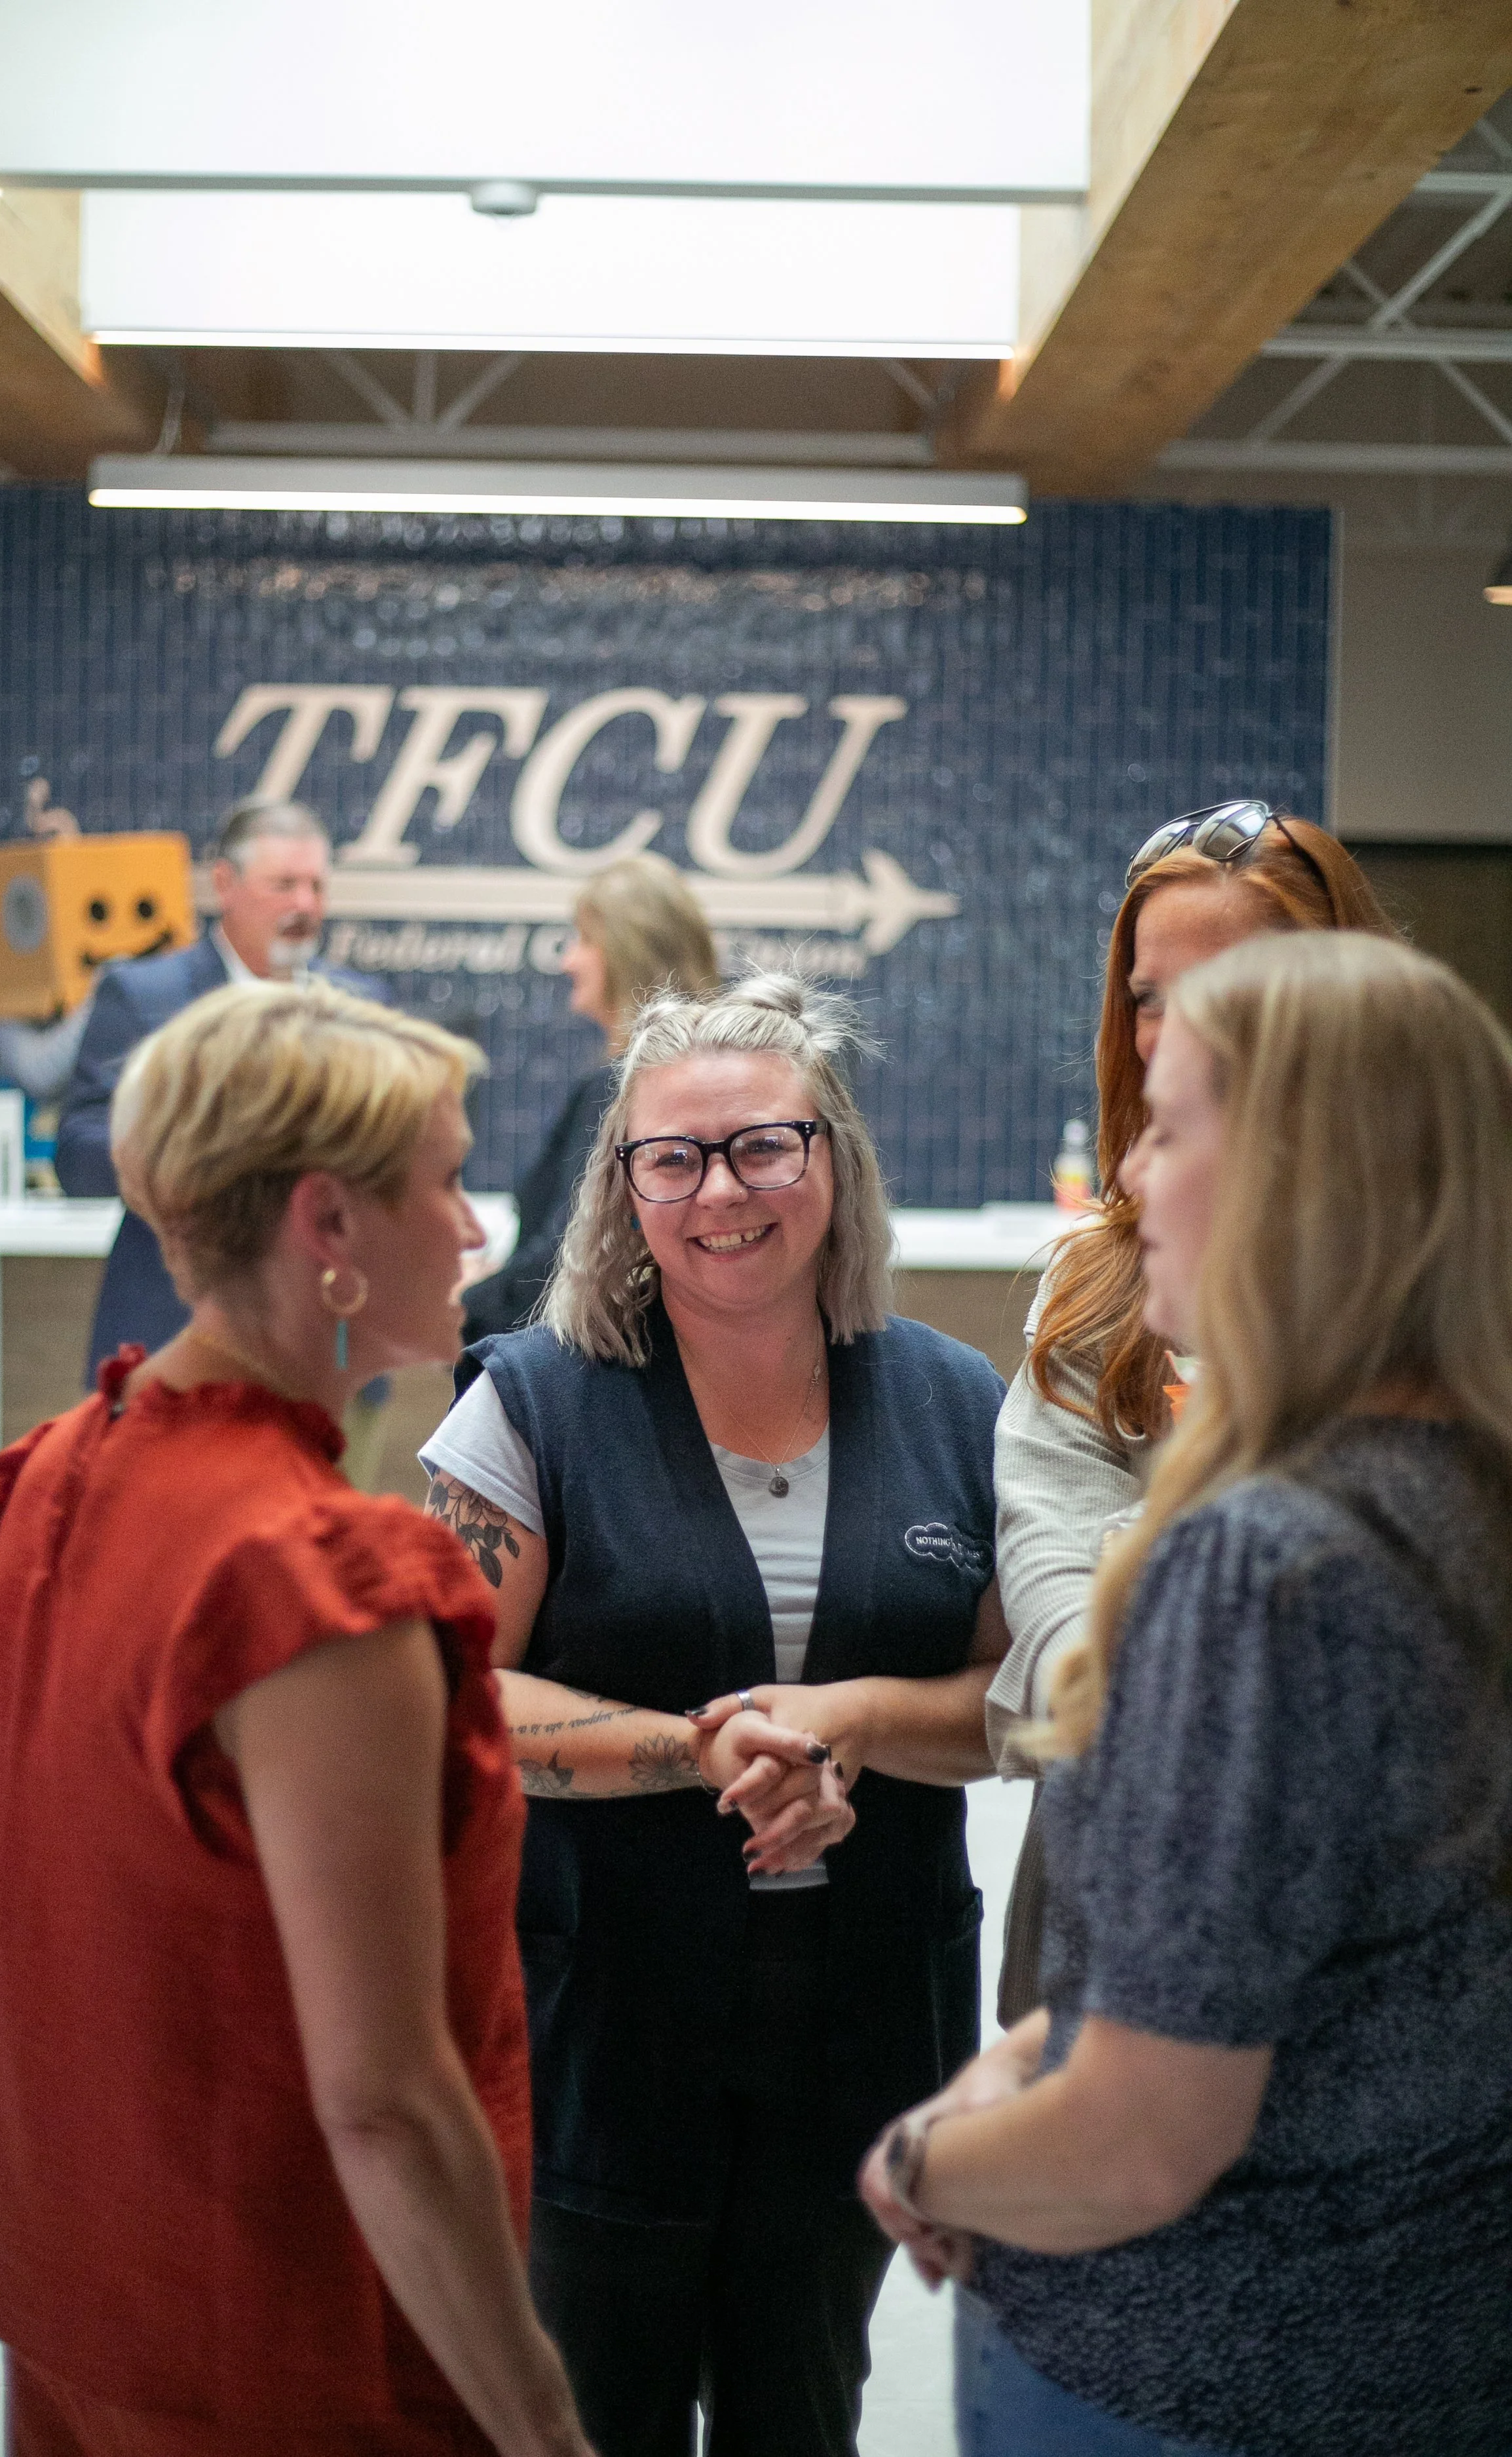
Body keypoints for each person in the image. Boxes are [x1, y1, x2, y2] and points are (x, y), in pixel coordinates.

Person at [862, 931, 1512, 2457]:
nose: (1132, 1181)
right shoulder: (1460, 1499)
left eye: (1172, 1125)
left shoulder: (1266, 1565)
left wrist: (919, 2162)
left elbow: (1146, 2135)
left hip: (1191, 2373)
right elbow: (1299, 1951)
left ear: (1307, 1176)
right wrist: (1024, 2058)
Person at [0, 980, 595, 2457]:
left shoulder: (41, 1483)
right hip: (302, 2350)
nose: (477, 1228)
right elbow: (385, 2101)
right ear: (329, 1229)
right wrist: (542, 2426)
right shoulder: (318, 1584)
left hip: (83, 2304)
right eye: (444, 1179)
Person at [421, 974, 1010, 2457]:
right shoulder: (529, 1407)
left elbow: (1015, 1701)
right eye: (671, 1157)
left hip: (863, 2013)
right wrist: (696, 1747)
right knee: (595, 2405)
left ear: (835, 1157)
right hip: (605, 2013)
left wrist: (858, 1718)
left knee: (802, 2404)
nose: (719, 1189)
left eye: (763, 1144)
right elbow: (455, 1691)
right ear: (623, 1185)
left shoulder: (956, 1401)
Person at [988, 802, 1397, 2018]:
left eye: (1226, 990)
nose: (1170, 1034)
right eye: (1147, 993)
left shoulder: (1436, 1272)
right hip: (1115, 1895)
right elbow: (1051, 1580)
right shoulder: (1104, 1281)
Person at [58, 797, 386, 1387]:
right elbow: (79, 1156)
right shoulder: (145, 998)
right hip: (170, 1350)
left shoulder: (361, 1006)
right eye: (284, 884)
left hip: (329, 1357)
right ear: (223, 884)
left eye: (316, 886)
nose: (305, 905)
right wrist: (202, 1143)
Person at [463, 851, 721, 1339]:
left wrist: (467, 1306)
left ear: (628, 952)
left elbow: (574, 1251)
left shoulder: (626, 1088)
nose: (569, 961)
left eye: (584, 940)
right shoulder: (703, 1078)